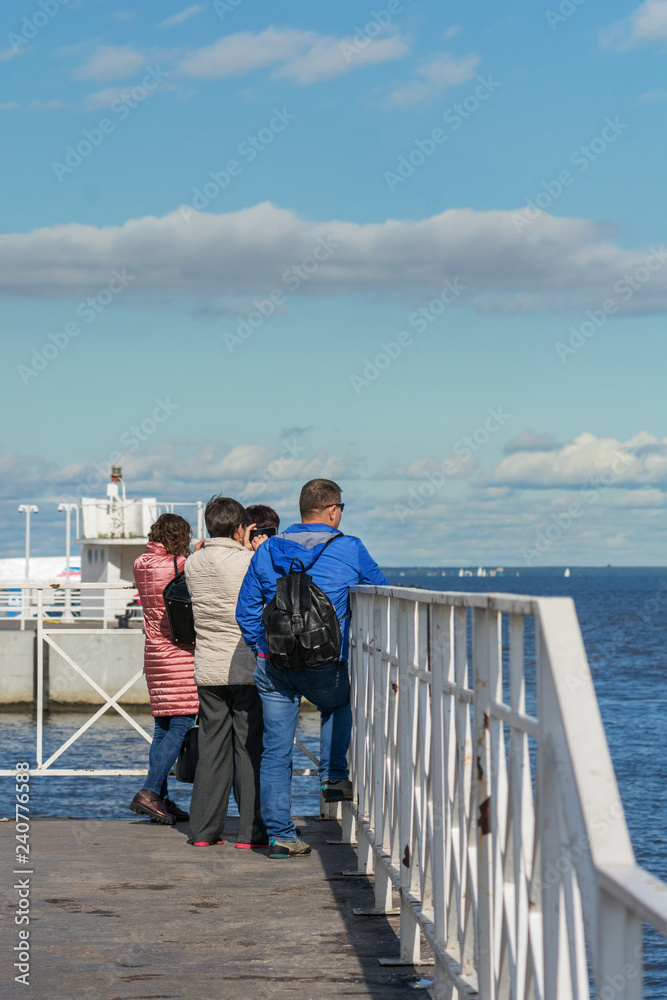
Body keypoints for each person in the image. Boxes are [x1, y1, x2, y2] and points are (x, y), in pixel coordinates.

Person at [236, 478, 388, 859]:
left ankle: (281, 837)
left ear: (302, 510)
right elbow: (382, 593)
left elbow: (247, 611)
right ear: (333, 510)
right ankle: (333, 777)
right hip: (326, 664)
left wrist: (263, 649)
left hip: (276, 666)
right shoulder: (349, 548)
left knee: (276, 750)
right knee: (338, 705)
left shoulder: (269, 549)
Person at [184, 496, 269, 848]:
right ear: (240, 528)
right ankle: (250, 833)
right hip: (246, 666)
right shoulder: (250, 559)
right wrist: (252, 546)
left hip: (208, 667)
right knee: (249, 749)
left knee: (211, 748)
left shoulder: (192, 563)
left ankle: (203, 832)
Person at [130, 513, 198, 825]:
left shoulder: (140, 562)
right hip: (178, 651)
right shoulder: (179, 563)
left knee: (162, 727)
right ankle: (149, 791)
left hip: (154, 653)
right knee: (183, 723)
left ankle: (163, 799)